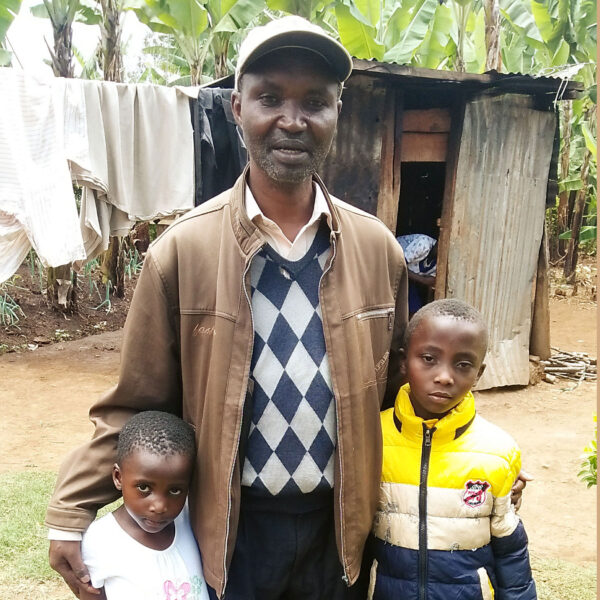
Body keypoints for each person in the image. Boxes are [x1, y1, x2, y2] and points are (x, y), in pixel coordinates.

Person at [46, 16, 409, 600]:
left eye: (315, 102)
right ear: (237, 108)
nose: (292, 120)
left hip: (340, 530)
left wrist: (479, 462)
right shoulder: (181, 253)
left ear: (337, 113)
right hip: (234, 532)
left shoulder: (376, 249)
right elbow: (135, 405)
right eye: (270, 98)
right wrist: (70, 510)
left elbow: (401, 395)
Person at [368, 299, 537, 599]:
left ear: (479, 372)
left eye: (462, 364)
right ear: (404, 362)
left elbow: (510, 550)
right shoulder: (373, 437)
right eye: (429, 358)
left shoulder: (497, 451)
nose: (445, 376)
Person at [79, 411, 209, 600]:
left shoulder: (191, 520)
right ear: (118, 477)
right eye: (144, 487)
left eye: (175, 491)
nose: (159, 506)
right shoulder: (100, 540)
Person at [396, 233, 437, 315]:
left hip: (408, 276)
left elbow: (432, 281)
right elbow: (399, 264)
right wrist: (417, 277)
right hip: (392, 264)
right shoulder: (423, 244)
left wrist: (410, 275)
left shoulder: (440, 262)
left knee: (414, 307)